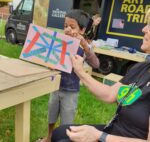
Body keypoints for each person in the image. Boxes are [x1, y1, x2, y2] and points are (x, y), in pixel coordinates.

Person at [51, 9, 150, 142]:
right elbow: (110, 94)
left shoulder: (83, 43)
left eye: (149, 25)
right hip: (115, 130)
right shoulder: (141, 68)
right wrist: (80, 71)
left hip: (117, 137)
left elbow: (95, 63)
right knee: (59, 133)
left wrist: (99, 136)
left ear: (82, 29)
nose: (144, 29)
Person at [40, 9, 100, 142]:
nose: (67, 29)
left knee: (67, 122)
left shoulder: (84, 46)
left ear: (82, 30)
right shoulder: (59, 42)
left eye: (72, 27)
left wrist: (84, 44)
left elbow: (96, 64)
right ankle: (49, 136)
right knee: (51, 115)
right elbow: (50, 60)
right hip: (55, 87)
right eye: (65, 26)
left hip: (71, 91)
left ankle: (63, 139)